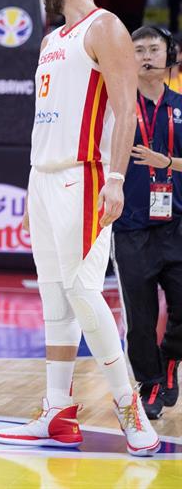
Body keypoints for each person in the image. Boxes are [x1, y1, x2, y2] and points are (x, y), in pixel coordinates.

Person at [0, 0, 160, 456]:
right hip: (42, 177)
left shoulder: (104, 26)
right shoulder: (50, 39)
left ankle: (129, 407)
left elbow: (124, 110)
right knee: (54, 300)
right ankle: (56, 409)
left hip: (83, 178)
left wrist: (115, 178)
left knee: (85, 293)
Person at [111, 25, 182, 419]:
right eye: (137, 50)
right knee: (139, 317)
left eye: (154, 48)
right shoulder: (117, 107)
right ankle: (151, 382)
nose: (146, 56)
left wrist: (168, 163)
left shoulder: (180, 104)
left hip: (177, 223)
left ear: (170, 53)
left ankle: (171, 359)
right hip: (131, 225)